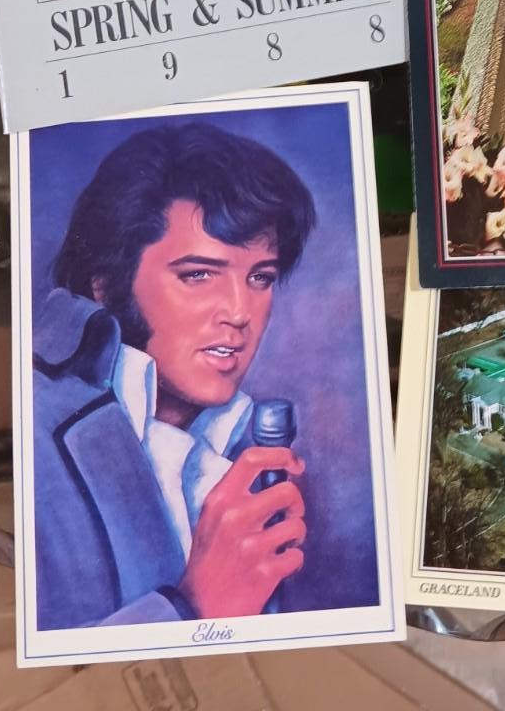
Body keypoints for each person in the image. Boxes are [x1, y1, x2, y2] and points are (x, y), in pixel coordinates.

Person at [32, 122, 316, 629]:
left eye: (260, 277)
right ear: (106, 284)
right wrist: (192, 606)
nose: (239, 311)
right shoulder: (35, 428)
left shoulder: (239, 449)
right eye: (198, 275)